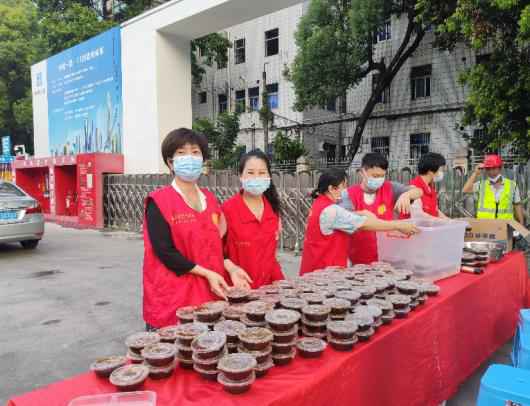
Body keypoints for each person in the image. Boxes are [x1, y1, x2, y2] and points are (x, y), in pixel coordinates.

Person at [143, 128, 251, 329]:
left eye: (195, 152)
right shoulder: (158, 201)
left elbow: (216, 246)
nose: (190, 158)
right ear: (170, 163)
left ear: (203, 160)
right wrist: (207, 273)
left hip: (209, 294)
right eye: (181, 153)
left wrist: (232, 268)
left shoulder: (210, 200)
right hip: (173, 297)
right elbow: (165, 252)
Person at [300, 168, 420, 275]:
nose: (345, 190)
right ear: (331, 188)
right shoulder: (331, 210)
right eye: (343, 186)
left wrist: (360, 213)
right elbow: (364, 224)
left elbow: (340, 218)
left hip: (314, 267)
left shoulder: (320, 204)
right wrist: (398, 225)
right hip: (324, 272)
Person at [340, 153, 423, 264]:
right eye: (374, 176)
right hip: (360, 259)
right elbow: (350, 220)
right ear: (362, 173)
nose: (379, 179)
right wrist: (397, 226)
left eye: (382, 176)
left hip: (389, 257)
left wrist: (407, 195)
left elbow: (418, 191)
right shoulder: (348, 194)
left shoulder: (390, 188)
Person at [222, 150, 284, 289]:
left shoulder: (273, 210)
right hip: (238, 289)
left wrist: (282, 285)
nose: (257, 177)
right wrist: (232, 269)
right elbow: (213, 253)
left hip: (269, 289)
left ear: (269, 176)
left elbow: (270, 256)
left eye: (262, 173)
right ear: (240, 176)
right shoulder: (227, 210)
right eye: (250, 172)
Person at [462, 154, 524, 224]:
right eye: (488, 169)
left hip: (506, 226)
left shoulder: (512, 185)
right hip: (485, 226)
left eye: (494, 168)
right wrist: (475, 173)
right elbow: (465, 190)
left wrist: (521, 223)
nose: (491, 172)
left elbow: (517, 204)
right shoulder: (481, 185)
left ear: (500, 168)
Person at [403, 152, 449, 219]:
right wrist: (440, 221)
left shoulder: (430, 189)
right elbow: (419, 216)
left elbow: (435, 210)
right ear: (430, 171)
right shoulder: (414, 189)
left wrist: (449, 221)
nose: (442, 173)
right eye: (441, 170)